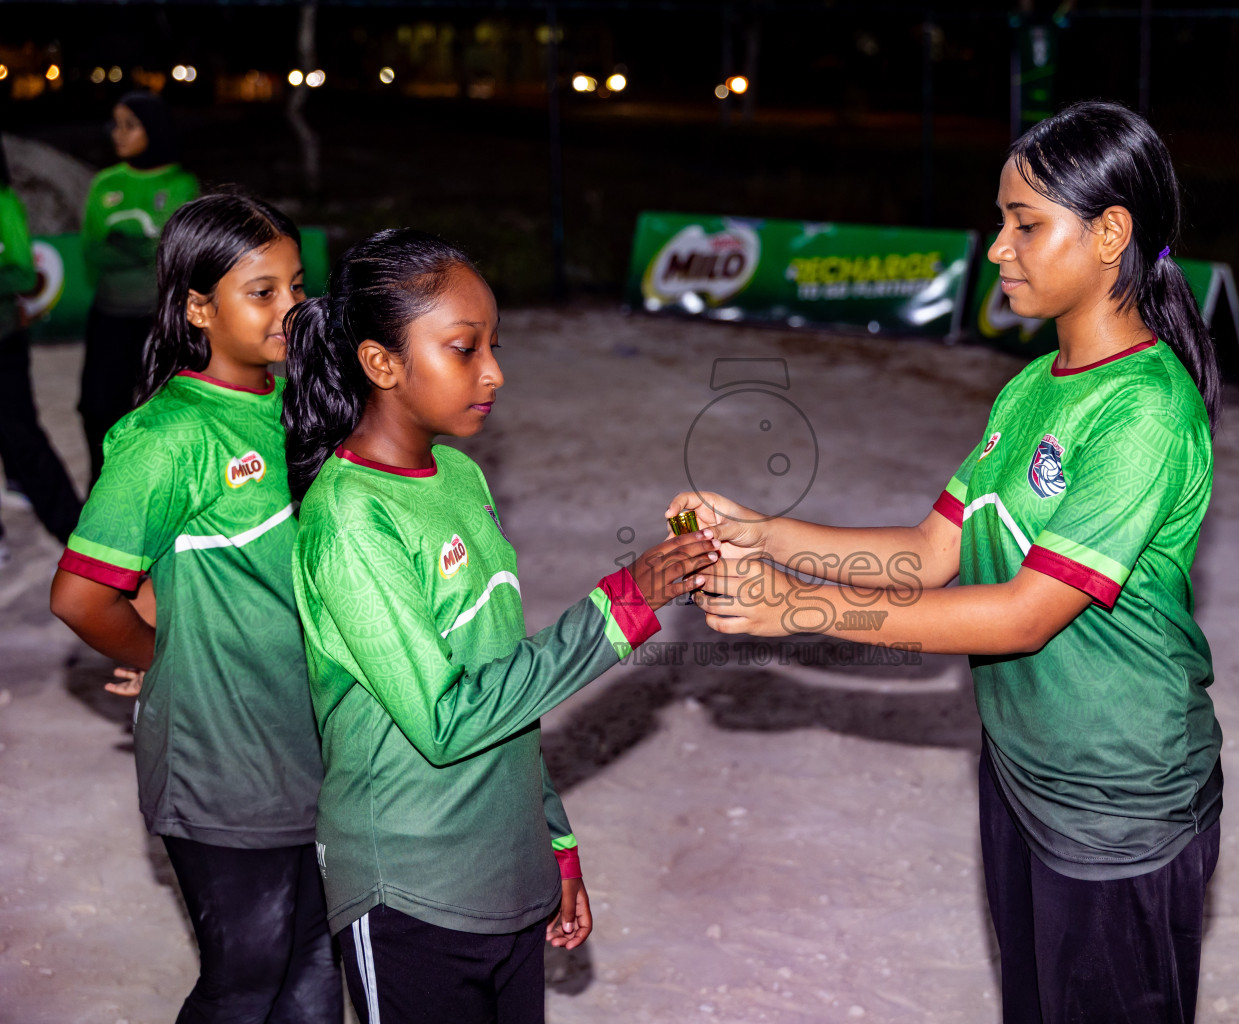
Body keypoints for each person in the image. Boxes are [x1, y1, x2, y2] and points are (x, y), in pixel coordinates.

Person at [672, 100, 1223, 1024]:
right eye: (1002, 222)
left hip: (1118, 800)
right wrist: (763, 533)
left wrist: (795, 609)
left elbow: (1022, 614)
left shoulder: (1146, 413)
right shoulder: (1030, 388)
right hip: (1023, 773)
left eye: (1026, 224)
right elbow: (931, 554)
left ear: (1109, 235)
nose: (999, 248)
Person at [282, 228, 719, 1021]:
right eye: (464, 348)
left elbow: (505, 680)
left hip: (504, 874)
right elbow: (447, 718)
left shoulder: (460, 476)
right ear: (381, 363)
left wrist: (550, 842)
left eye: (494, 346)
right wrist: (624, 603)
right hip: (411, 890)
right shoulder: (349, 519)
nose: (494, 372)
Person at [50, 192, 341, 1022]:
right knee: (247, 978)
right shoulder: (168, 437)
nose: (290, 308)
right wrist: (163, 656)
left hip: (311, 743)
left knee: (317, 964)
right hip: (224, 763)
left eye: (297, 286)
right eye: (262, 291)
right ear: (198, 308)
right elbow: (80, 595)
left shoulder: (297, 403)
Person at [79, 91, 198, 482]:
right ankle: (104, 486)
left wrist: (124, 244)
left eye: (130, 125)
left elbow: (170, 251)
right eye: (115, 124)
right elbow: (93, 250)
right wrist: (140, 247)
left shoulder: (181, 184)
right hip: (108, 315)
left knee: (163, 409)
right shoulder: (105, 182)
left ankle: (160, 488)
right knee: (97, 408)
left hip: (159, 319)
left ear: (154, 129)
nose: (118, 133)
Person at [0, 134, 83, 556]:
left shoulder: (3, 203)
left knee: (21, 432)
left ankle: (73, 530)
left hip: (2, 339)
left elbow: (23, 274)